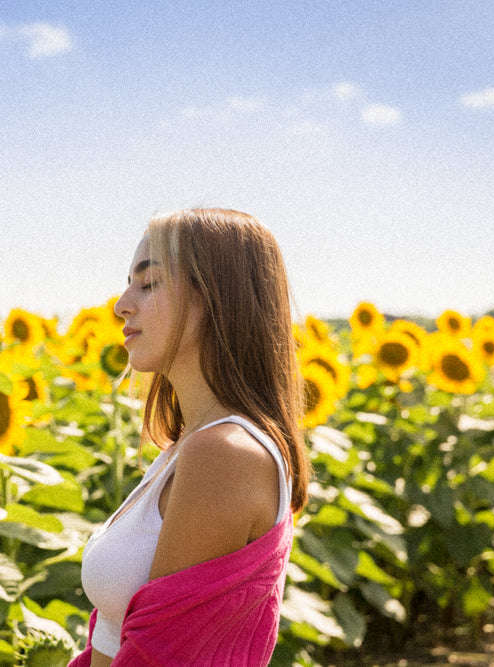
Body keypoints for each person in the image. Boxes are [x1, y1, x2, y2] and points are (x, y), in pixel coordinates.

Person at [69, 208, 310, 666]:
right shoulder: (188, 446)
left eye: (149, 282)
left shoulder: (225, 455)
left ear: (213, 297)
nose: (122, 304)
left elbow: (157, 657)